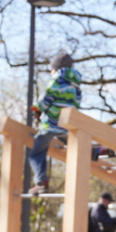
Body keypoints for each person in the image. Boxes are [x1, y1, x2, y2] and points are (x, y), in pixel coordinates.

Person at [27, 53, 82, 194]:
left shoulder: (56, 82)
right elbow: (76, 105)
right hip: (66, 127)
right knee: (79, 145)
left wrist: (37, 109)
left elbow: (45, 101)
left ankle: (41, 182)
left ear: (56, 69)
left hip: (51, 124)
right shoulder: (76, 87)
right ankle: (96, 151)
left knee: (36, 153)